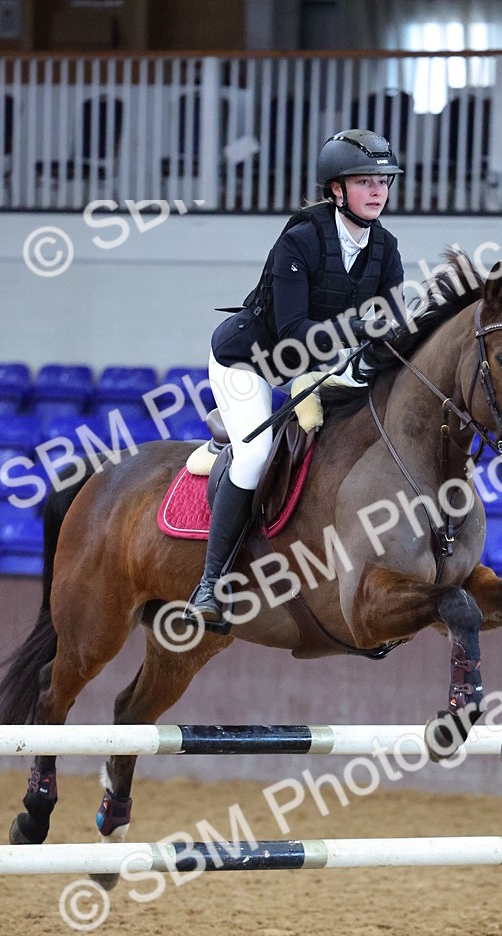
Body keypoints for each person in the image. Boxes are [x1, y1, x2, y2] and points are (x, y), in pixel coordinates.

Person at [186, 128, 406, 624]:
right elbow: (292, 334)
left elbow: (389, 329)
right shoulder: (301, 240)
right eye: (365, 181)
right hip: (251, 359)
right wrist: (359, 327)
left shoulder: (386, 248)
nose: (377, 191)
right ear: (336, 190)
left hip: (320, 366)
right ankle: (210, 584)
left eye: (383, 181)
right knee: (256, 453)